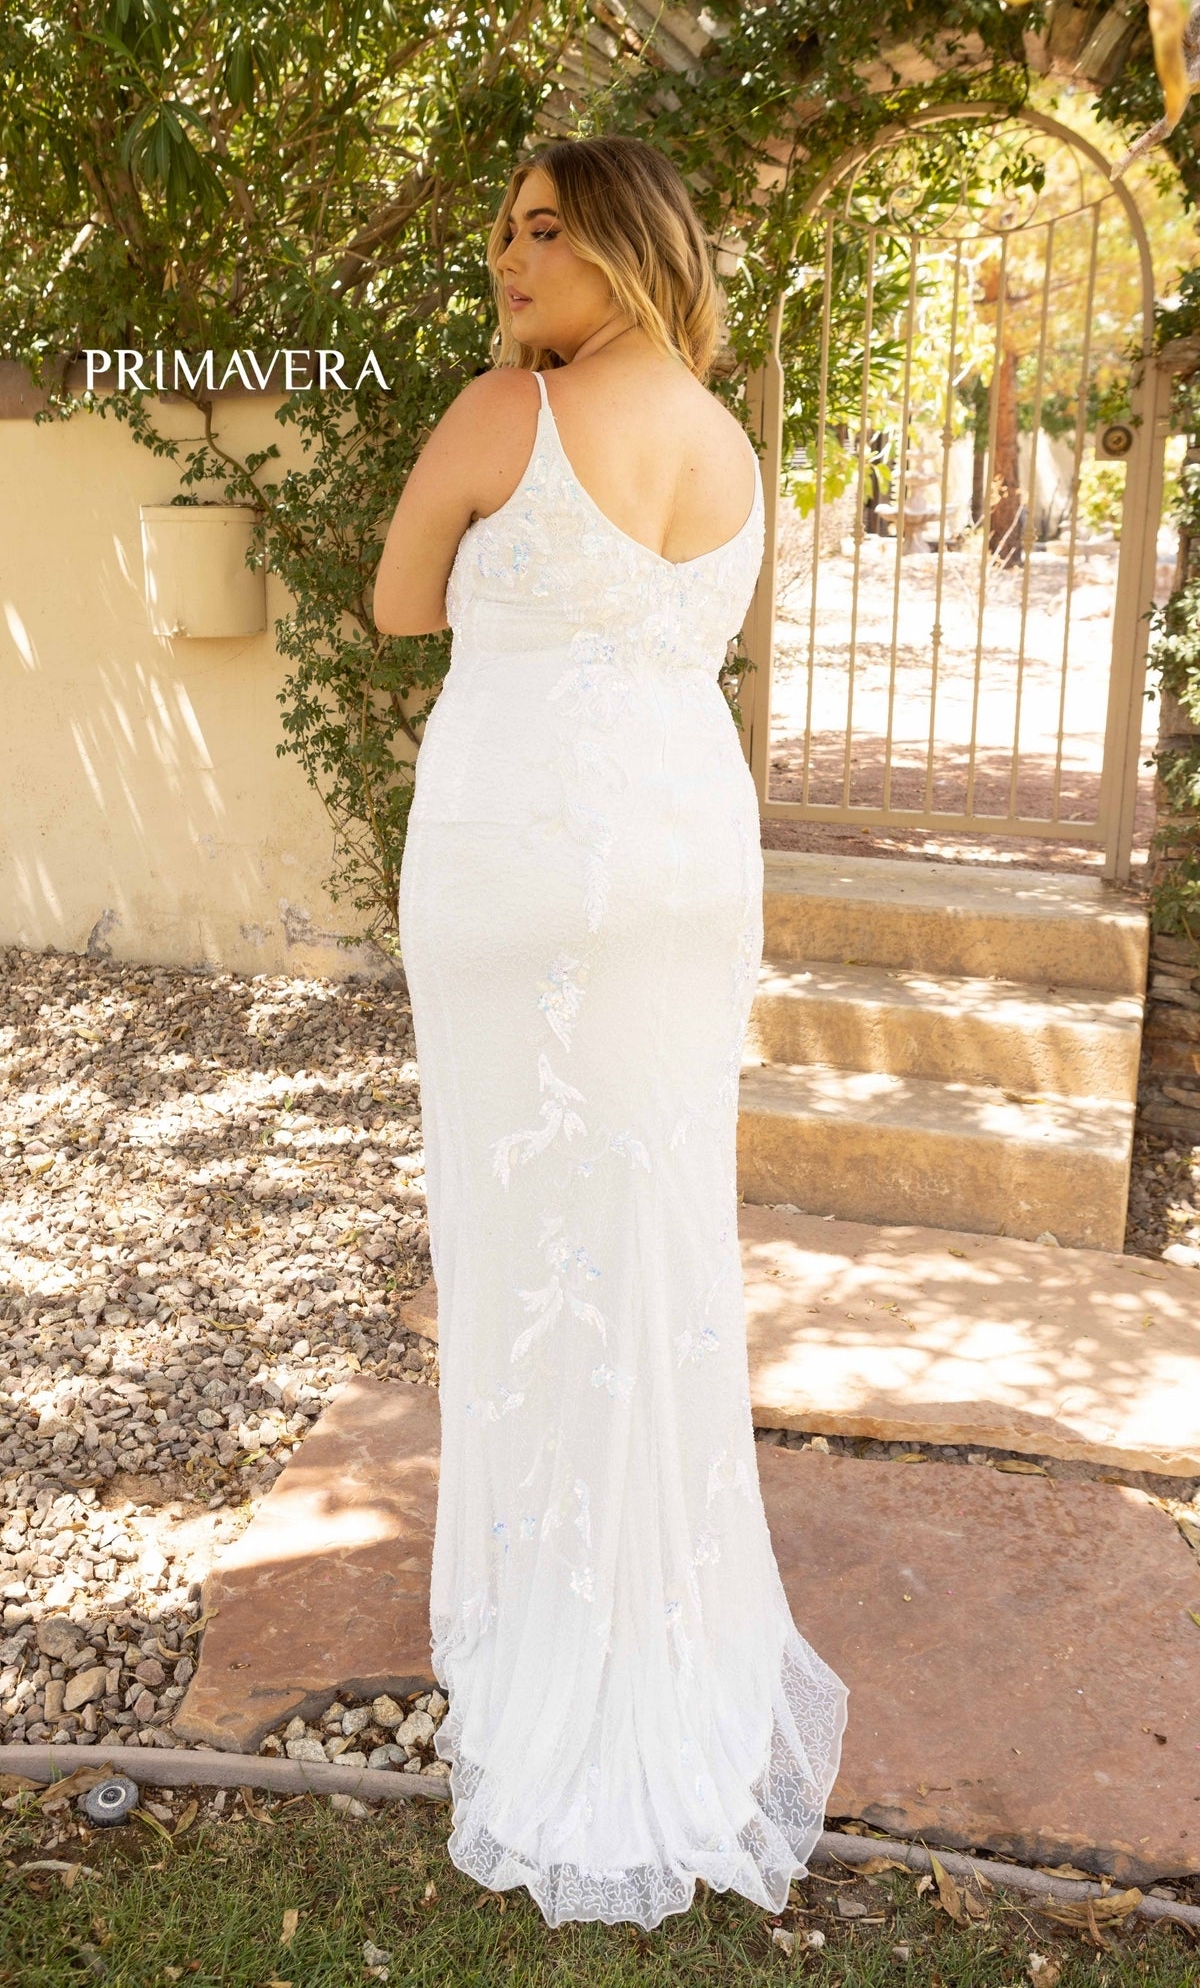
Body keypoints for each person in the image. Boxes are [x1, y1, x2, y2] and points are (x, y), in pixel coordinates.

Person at [373, 131, 848, 1932]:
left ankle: (556, 1633)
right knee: (656, 1235)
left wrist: (503, 401)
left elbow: (402, 602)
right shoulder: (731, 445)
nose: (510, 258)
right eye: (504, 231)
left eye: (543, 231)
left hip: (513, 868)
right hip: (675, 855)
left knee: (518, 1237)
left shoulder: (504, 417)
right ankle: (672, 1630)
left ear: (626, 248)